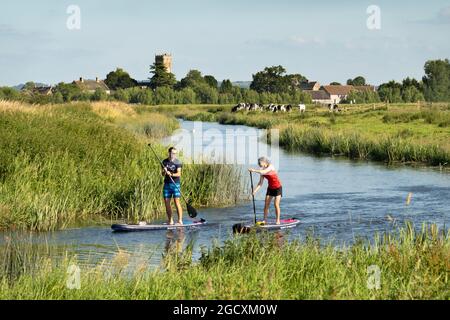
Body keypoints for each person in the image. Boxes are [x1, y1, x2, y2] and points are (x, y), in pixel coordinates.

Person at [249, 157, 282, 225]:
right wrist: (254, 191)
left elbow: (264, 171)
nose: (259, 164)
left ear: (264, 162)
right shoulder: (261, 171)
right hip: (270, 188)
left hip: (278, 188)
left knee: (276, 204)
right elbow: (260, 183)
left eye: (260, 163)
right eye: (258, 163)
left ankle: (278, 220)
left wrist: (254, 170)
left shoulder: (271, 167)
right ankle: (264, 220)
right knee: (266, 204)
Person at [162, 147, 183, 225]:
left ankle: (180, 220)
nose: (174, 155)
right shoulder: (164, 162)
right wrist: (164, 171)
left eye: (175, 153)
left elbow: (179, 174)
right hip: (167, 184)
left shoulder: (178, 162)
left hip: (175, 184)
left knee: (176, 202)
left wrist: (171, 174)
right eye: (172, 153)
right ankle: (170, 221)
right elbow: (162, 174)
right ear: (169, 153)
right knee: (167, 203)